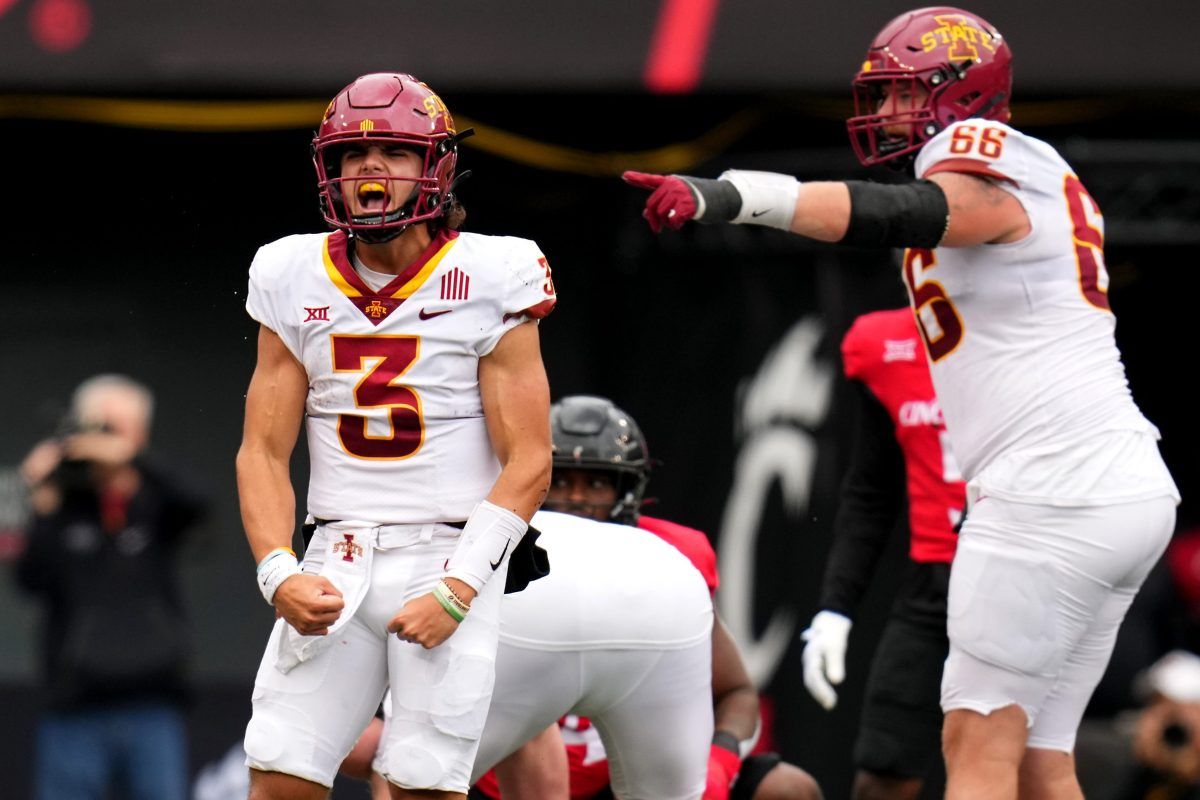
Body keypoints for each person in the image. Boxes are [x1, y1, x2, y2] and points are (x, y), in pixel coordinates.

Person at [623, 8, 1180, 799]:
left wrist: (734, 195)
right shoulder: (1041, 173)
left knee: (976, 743)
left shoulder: (982, 156)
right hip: (1116, 486)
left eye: (902, 95)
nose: (885, 115)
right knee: (1038, 757)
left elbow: (905, 214)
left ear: (962, 95)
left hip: (1049, 491)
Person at [236, 71, 556, 800]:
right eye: (352, 154)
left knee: (420, 784)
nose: (369, 169)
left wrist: (461, 586)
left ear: (434, 166)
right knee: (279, 775)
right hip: (335, 551)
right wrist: (277, 570)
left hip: (449, 554)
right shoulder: (290, 272)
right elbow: (261, 448)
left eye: (391, 152)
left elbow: (530, 459)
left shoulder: (493, 272)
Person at [481, 395, 821, 800]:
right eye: (562, 480)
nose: (575, 499)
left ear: (626, 488)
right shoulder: (492, 549)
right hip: (500, 772)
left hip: (629, 770)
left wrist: (721, 763)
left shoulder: (668, 561)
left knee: (788, 790)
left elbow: (736, 692)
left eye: (595, 483)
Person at [15, 374, 208, 800]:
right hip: (75, 707)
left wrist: (134, 459)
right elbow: (28, 579)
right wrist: (44, 497)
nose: (105, 439)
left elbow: (200, 506)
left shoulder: (157, 502)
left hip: (153, 704)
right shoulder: (64, 505)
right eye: (99, 427)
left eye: (118, 429)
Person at [799, 308, 965, 800]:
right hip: (934, 584)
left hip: (1024, 575)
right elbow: (872, 490)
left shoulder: (1035, 325)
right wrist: (837, 607)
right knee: (883, 771)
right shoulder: (885, 344)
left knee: (1008, 764)